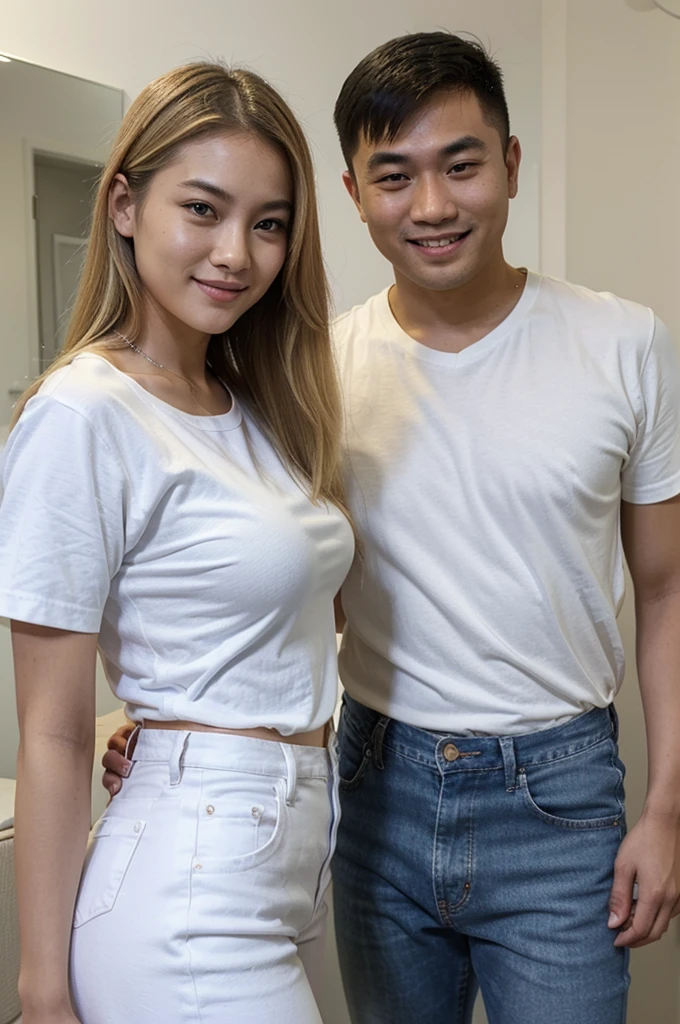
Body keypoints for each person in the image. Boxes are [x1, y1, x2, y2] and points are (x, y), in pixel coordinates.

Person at [103, 32, 680, 1024]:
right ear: (352, 192)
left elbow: (666, 587)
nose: (430, 206)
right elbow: (279, 577)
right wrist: (171, 720)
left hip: (558, 792)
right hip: (373, 777)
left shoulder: (623, 344)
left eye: (459, 165)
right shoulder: (314, 368)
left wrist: (667, 809)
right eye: (393, 176)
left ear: (506, 162)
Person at [0, 62, 354, 1024]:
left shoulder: (260, 412)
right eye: (203, 208)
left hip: (294, 850)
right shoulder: (81, 413)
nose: (236, 252)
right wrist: (42, 996)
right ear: (123, 203)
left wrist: (165, 715)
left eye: (269, 222)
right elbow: (56, 729)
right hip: (190, 881)